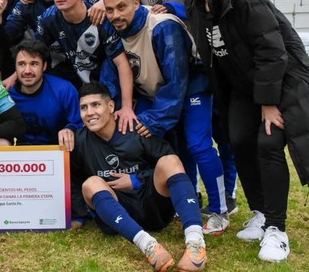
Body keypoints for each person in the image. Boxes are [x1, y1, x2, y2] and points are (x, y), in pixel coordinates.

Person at [184, 0, 309, 262]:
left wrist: (269, 103)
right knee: (239, 141)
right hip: (244, 89)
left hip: (283, 83)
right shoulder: (196, 6)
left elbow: (272, 52)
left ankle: (277, 229)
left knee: (268, 144)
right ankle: (260, 214)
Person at [125, 0, 238, 214]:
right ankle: (190, 197)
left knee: (213, 138)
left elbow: (205, 4)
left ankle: (224, 202)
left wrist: (175, 4)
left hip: (203, 64)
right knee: (182, 142)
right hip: (168, 69)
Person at [103, 0, 229, 235]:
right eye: (109, 9)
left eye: (121, 7)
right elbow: (113, 71)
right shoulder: (114, 28)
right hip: (157, 92)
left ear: (136, 3)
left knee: (197, 144)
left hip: (191, 88)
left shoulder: (162, 26)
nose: (116, 14)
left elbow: (177, 79)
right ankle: (188, 199)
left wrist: (154, 119)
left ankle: (220, 209)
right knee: (174, 149)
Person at [71, 82, 207, 271]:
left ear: (111, 106)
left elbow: (169, 161)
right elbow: (75, 180)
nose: (90, 112)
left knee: (170, 161)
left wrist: (136, 180)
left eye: (96, 105)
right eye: (84, 108)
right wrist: (79, 215)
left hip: (151, 207)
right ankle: (148, 246)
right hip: (116, 213)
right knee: (91, 183)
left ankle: (196, 242)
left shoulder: (135, 128)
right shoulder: (79, 141)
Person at [34, 0, 136, 133]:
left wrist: (126, 107)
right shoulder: (48, 17)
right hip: (76, 82)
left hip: (108, 84)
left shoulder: (99, 16)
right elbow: (35, 53)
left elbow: (122, 64)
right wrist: (13, 77)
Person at [8, 39, 81, 149]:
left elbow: (80, 122)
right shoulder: (8, 94)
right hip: (22, 152)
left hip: (60, 150)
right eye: (22, 64)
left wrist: (70, 129)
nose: (27, 71)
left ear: (44, 66)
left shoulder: (64, 90)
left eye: (34, 64)